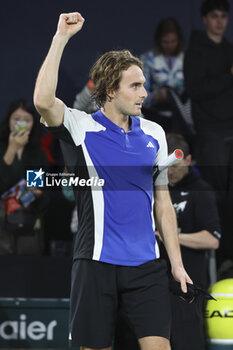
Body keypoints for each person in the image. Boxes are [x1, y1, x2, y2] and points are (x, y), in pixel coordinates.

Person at [33, 12, 192, 350]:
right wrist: (60, 37)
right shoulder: (80, 126)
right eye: (135, 86)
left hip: (147, 267)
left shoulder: (154, 133)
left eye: (144, 84)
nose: (144, 93)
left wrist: (177, 265)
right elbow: (43, 101)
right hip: (95, 265)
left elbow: (162, 202)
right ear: (109, 91)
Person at [157, 133, 221, 350]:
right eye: (166, 167)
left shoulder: (201, 190)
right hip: (155, 282)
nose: (171, 172)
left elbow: (212, 239)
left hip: (188, 287)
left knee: (187, 342)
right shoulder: (157, 189)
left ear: (187, 160)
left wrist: (168, 236)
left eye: (175, 166)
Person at [183, 0, 233, 264]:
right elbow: (196, 90)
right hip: (210, 134)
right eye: (214, 16)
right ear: (205, 19)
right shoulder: (196, 51)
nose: (219, 21)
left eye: (223, 16)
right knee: (216, 197)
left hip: (230, 131)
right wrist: (228, 76)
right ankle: (219, 257)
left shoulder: (229, 49)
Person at [0, 98, 49, 254]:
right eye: (16, 119)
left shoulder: (37, 154)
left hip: (26, 219)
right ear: (8, 120)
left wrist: (35, 192)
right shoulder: (2, 148)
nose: (20, 124)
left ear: (33, 123)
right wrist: (11, 150)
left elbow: (40, 192)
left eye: (26, 120)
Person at [141, 18, 191, 137]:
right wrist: (155, 96)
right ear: (159, 41)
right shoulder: (148, 59)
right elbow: (140, 93)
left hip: (182, 119)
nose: (169, 45)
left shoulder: (187, 60)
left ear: (179, 40)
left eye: (173, 41)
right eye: (165, 41)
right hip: (154, 116)